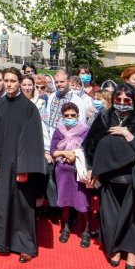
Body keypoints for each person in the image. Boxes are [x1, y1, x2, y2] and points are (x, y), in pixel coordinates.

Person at [85, 85, 135, 269]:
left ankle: (133, 251)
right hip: (108, 178)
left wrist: (128, 135)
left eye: (126, 100)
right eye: (118, 100)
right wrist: (91, 168)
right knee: (110, 216)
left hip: (133, 178)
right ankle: (115, 248)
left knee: (133, 217)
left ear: (133, 101)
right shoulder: (104, 117)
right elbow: (90, 145)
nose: (122, 104)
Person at [0, 68, 46, 263]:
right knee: (3, 203)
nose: (9, 84)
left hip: (21, 165)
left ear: (20, 82)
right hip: (3, 163)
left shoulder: (29, 108)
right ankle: (3, 243)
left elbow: (32, 140)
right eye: (6, 80)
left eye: (13, 81)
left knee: (22, 205)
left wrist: (24, 168)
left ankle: (25, 246)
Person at [50, 102, 92, 246]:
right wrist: (64, 153)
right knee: (65, 202)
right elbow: (53, 151)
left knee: (83, 202)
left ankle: (86, 232)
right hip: (63, 172)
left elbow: (89, 150)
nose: (69, 118)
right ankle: (66, 228)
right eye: (66, 116)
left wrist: (75, 154)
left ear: (78, 116)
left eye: (72, 115)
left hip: (79, 173)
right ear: (62, 116)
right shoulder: (59, 130)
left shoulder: (85, 130)